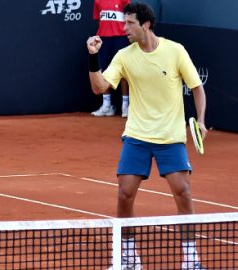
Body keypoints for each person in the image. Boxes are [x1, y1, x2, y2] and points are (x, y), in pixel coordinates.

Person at [87, 2, 207, 270]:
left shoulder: (175, 51)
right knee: (124, 194)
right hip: (137, 136)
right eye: (124, 22)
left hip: (170, 137)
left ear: (146, 25)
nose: (123, 27)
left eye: (129, 23)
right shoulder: (123, 55)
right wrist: (93, 57)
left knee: (183, 192)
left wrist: (199, 120)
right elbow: (99, 88)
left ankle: (191, 259)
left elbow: (197, 88)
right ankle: (128, 258)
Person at [91, 0, 130, 117]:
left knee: (123, 72)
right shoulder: (98, 1)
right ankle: (107, 105)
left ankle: (125, 106)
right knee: (103, 71)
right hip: (104, 39)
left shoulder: (124, 0)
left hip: (121, 38)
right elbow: (99, 20)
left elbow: (130, 18)